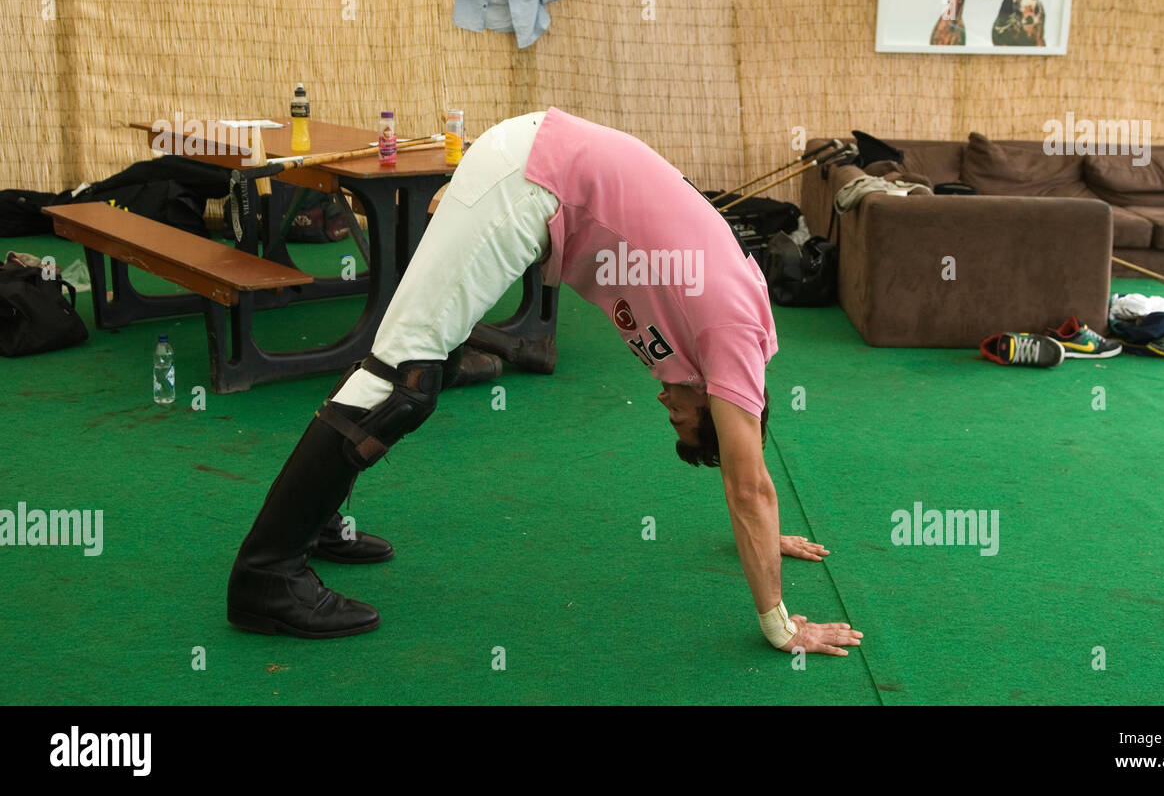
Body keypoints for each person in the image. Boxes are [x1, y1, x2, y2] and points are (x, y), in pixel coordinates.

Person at [227, 108, 862, 657]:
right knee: (403, 379)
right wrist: (780, 625)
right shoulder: (730, 336)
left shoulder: (728, 350)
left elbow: (746, 464)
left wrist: (766, 536)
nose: (664, 402)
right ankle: (267, 574)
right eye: (681, 417)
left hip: (531, 171)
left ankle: (313, 524)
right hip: (531, 181)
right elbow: (747, 482)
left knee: (406, 366)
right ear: (718, 405)